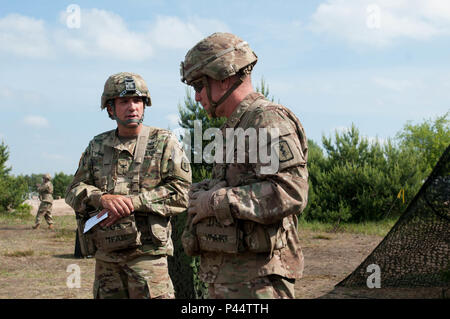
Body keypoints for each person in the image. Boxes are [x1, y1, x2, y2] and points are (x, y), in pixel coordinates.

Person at [180, 32, 309, 299]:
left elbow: (290, 191)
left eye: (199, 86)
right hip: (231, 278)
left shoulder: (267, 119)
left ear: (223, 77)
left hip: (259, 283)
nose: (196, 97)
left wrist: (215, 201)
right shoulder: (236, 127)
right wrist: (202, 191)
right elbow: (242, 183)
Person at [65, 72, 191, 299]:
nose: (132, 107)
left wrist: (132, 203)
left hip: (148, 258)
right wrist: (101, 198)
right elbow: (73, 190)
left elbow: (182, 193)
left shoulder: (164, 142)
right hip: (107, 260)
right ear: (110, 109)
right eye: (124, 101)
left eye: (138, 100)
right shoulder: (97, 146)